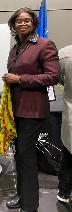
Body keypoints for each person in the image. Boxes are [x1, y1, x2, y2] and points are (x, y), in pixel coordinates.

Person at [2, 7, 59, 212]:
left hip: (33, 110)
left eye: (27, 20)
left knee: (26, 154)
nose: (23, 23)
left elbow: (53, 77)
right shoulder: (15, 49)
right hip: (15, 110)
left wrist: (19, 79)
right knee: (18, 153)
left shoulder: (45, 45)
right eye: (18, 21)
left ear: (34, 23)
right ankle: (21, 194)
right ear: (13, 26)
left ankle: (31, 205)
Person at [57, 45, 72, 204]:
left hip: (71, 112)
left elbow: (59, 78)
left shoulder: (65, 54)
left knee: (68, 154)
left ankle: (64, 191)